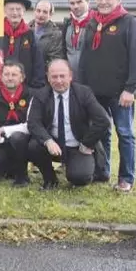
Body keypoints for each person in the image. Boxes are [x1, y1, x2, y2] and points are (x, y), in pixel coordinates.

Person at [79, 0, 136, 192]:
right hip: (95, 92)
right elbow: (85, 59)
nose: (104, 2)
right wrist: (82, 88)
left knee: (125, 133)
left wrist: (130, 89)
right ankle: (102, 172)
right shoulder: (92, 23)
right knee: (101, 133)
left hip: (120, 94)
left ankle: (126, 178)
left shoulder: (130, 22)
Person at [27, 60, 111, 189]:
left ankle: (86, 169)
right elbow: (33, 123)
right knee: (33, 146)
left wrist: (86, 143)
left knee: (79, 178)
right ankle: (50, 179)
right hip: (53, 145)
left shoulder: (84, 93)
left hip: (78, 145)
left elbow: (103, 120)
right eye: (54, 77)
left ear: (70, 76)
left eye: (62, 76)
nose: (59, 81)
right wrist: (48, 141)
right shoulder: (41, 95)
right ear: (48, 78)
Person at [0, 0, 45, 89]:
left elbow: (38, 63)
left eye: (18, 9)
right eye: (11, 9)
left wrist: (35, 88)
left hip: (25, 89)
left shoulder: (30, 34)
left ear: (23, 11)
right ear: (5, 11)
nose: (15, 13)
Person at [60, 0, 94, 82]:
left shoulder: (97, 24)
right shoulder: (67, 24)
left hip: (91, 81)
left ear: (88, 2)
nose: (76, 6)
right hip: (70, 81)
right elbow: (64, 51)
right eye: (72, 3)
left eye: (79, 2)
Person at [29, 0, 64, 68]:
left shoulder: (56, 35)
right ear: (34, 11)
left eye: (45, 12)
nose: (40, 15)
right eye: (38, 11)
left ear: (50, 14)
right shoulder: (25, 30)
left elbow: (54, 61)